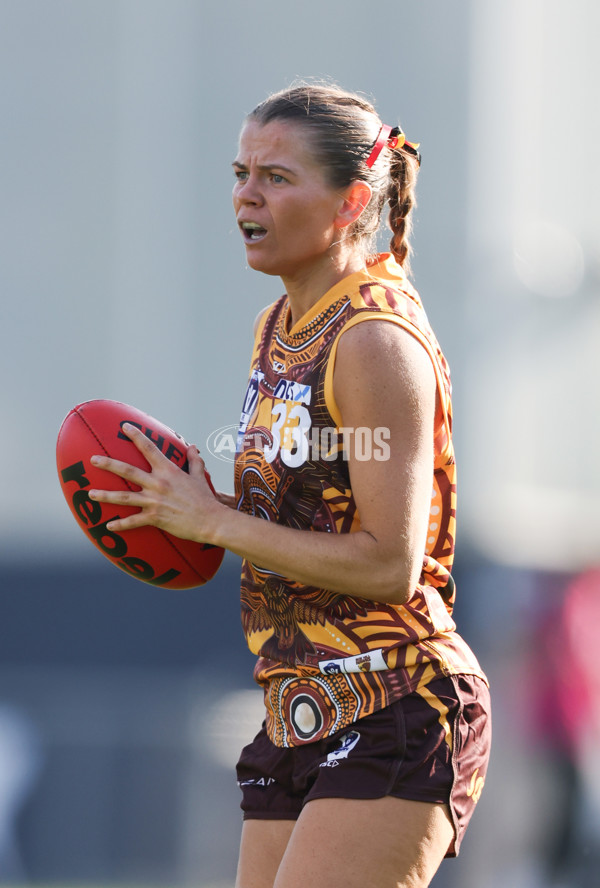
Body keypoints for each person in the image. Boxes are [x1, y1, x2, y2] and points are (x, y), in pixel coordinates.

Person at [88, 83, 492, 888]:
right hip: (296, 705)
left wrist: (211, 522)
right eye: (241, 172)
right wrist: (192, 505)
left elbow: (389, 564)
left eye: (275, 177)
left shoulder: (375, 340)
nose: (245, 192)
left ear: (349, 202)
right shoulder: (276, 326)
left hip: (396, 700)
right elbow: (307, 518)